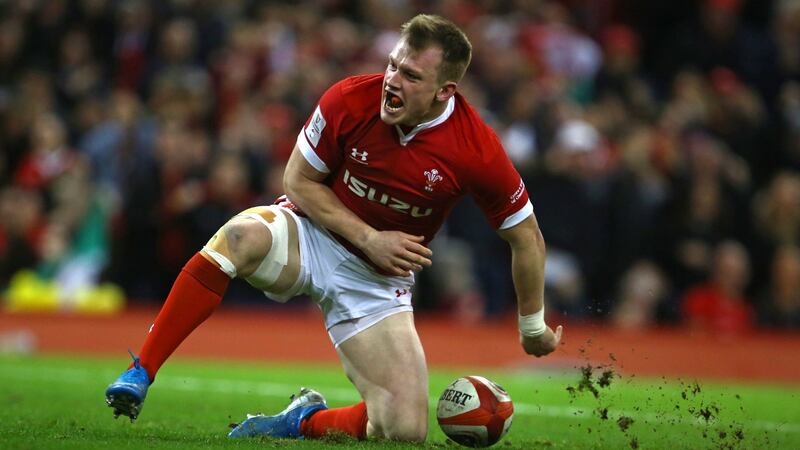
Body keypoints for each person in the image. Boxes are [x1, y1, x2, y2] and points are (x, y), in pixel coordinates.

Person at [105, 14, 563, 442]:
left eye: (411, 76)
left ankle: (301, 421)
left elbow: (527, 237)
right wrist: (368, 237)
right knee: (240, 237)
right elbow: (296, 180)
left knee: (404, 428)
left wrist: (531, 324)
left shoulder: (475, 148)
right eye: (392, 66)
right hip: (310, 233)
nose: (392, 82)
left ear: (446, 91)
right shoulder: (349, 97)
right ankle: (141, 370)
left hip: (377, 280)